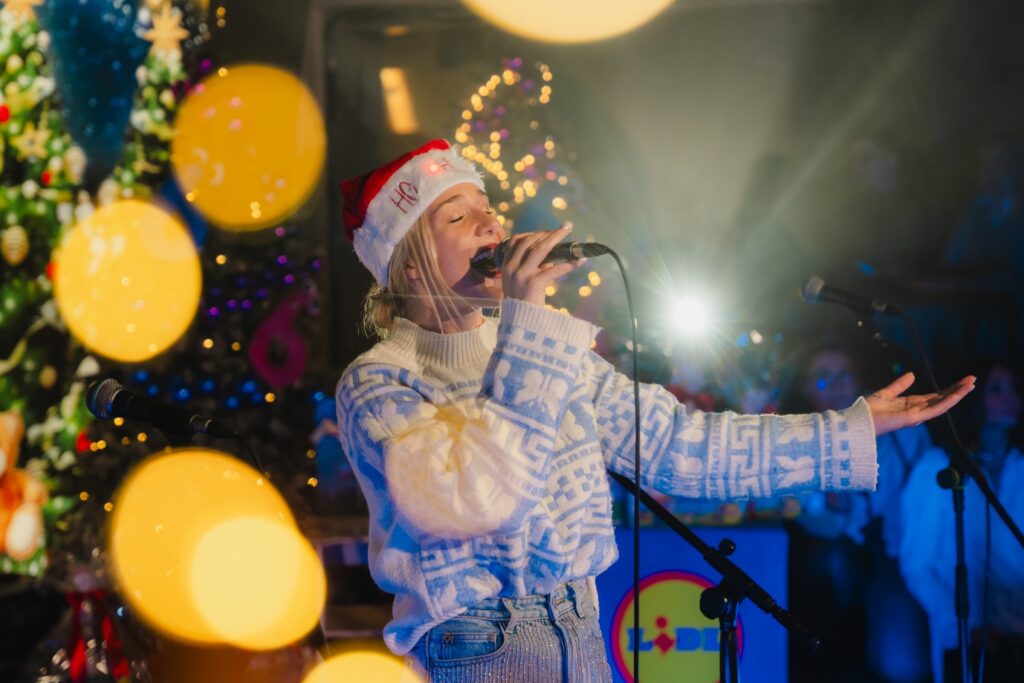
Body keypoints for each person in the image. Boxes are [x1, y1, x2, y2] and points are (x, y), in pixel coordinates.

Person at [334, 139, 975, 682]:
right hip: (477, 648)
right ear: (409, 268)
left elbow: (680, 445)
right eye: (458, 217)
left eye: (488, 208)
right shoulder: (379, 382)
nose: (491, 225)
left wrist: (850, 428)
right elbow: (480, 501)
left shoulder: (546, 353)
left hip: (580, 629)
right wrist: (528, 327)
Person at [784, 340, 932, 683]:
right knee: (827, 565)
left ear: (861, 380)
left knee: (902, 666)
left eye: (845, 376)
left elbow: (927, 503)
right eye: (823, 378)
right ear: (806, 388)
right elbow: (806, 515)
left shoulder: (902, 426)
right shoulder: (795, 439)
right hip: (835, 562)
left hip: (899, 559)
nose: (836, 387)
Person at [899, 362, 1024, 683]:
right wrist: (965, 626)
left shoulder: (1019, 465)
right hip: (967, 634)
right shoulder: (938, 467)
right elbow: (917, 565)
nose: (1010, 398)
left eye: (1014, 389)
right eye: (997, 389)